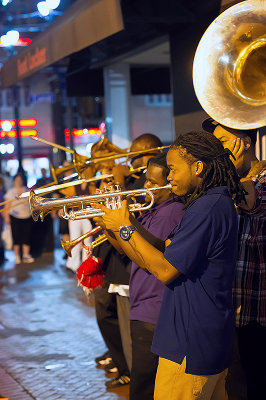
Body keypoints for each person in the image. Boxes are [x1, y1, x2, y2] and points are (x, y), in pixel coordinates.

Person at [93, 131, 245, 400]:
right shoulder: (212, 203)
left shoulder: (206, 207)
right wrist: (116, 227)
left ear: (197, 167)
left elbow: (164, 270)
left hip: (190, 344)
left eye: (173, 169)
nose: (170, 176)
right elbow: (153, 259)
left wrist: (125, 226)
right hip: (203, 338)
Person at [101, 153, 184, 399]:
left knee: (143, 389)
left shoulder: (171, 212)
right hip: (144, 305)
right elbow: (126, 250)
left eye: (152, 182)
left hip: (153, 309)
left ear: (170, 185)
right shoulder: (153, 209)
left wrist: (124, 221)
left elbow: (153, 251)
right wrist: (110, 224)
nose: (146, 186)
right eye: (146, 180)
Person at [203, 117, 266, 400]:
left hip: (259, 316)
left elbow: (252, 204)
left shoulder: (259, 180)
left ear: (245, 143)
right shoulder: (226, 185)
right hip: (232, 312)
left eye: (223, 144)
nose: (218, 152)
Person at [4, 174, 34, 264]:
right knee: (16, 237)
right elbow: (7, 206)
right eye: (17, 180)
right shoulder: (10, 192)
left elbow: (31, 203)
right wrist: (6, 217)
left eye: (20, 180)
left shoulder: (27, 190)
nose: (19, 182)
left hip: (27, 216)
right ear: (14, 181)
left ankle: (25, 255)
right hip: (15, 217)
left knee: (26, 236)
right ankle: (17, 257)